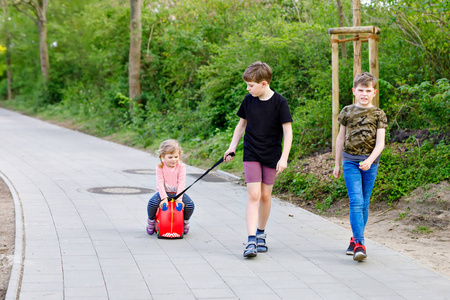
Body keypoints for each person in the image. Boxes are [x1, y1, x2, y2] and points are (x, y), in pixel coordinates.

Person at [224, 61, 293, 258]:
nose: (248, 88)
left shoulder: (280, 102)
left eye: (250, 85)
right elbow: (241, 126)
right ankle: (251, 239)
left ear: (263, 84)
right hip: (252, 152)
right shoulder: (248, 100)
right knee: (253, 195)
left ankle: (261, 233)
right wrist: (232, 147)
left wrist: (284, 158)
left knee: (265, 196)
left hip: (271, 154)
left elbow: (288, 132)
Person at [333, 72, 388, 261]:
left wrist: (370, 160)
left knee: (364, 202)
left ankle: (354, 239)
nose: (364, 94)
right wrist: (337, 163)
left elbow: (381, 143)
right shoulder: (347, 111)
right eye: (361, 90)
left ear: (374, 92)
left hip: (371, 163)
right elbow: (340, 138)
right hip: (350, 161)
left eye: (368, 90)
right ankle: (360, 244)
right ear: (354, 91)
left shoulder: (379, 114)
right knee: (356, 201)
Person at [146, 139, 195, 235]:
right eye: (170, 157)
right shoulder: (160, 167)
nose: (174, 160)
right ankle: (151, 221)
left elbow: (182, 183)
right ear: (163, 156)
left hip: (178, 193)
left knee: (190, 205)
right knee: (152, 203)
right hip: (164, 193)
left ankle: (185, 222)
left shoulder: (181, 167)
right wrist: (164, 198)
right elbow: (160, 183)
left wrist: (179, 199)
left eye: (176, 157)